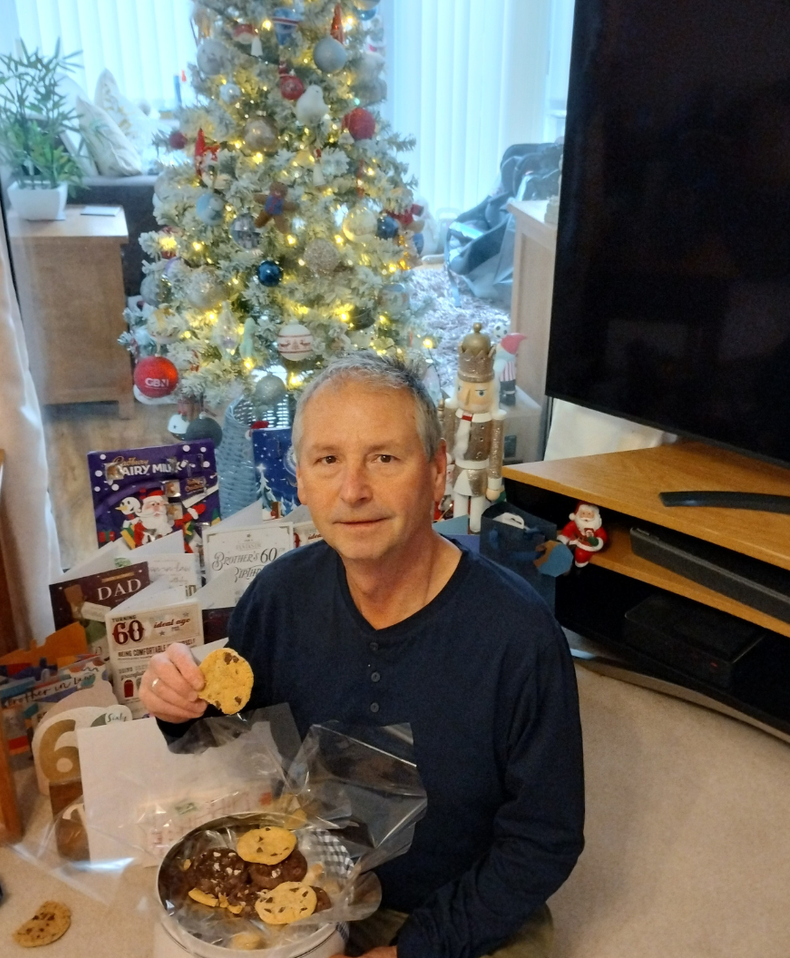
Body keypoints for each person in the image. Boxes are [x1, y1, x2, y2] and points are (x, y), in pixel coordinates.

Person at [139, 353, 585, 958]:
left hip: (459, 903)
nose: (353, 490)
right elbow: (222, 727)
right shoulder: (277, 598)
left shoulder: (519, 636)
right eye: (328, 460)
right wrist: (177, 705)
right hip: (311, 881)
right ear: (300, 478)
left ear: (435, 471)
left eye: (384, 458)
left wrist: (417, 948)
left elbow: (544, 837)